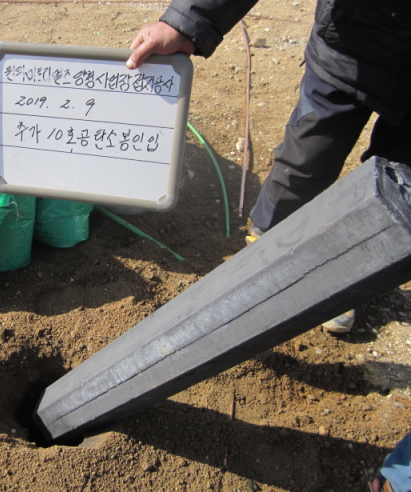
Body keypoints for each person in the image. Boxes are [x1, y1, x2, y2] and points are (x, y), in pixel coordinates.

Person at [126, 0, 411, 335]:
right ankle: (267, 252)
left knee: (401, 184)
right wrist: (186, 22)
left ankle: (351, 271)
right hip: (350, 46)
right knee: (305, 161)